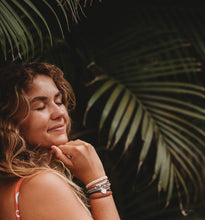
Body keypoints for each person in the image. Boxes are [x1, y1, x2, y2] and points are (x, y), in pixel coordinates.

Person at [0, 62, 120, 220]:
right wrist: (97, 182)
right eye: (40, 107)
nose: (59, 113)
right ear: (10, 123)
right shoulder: (42, 184)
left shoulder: (10, 186)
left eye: (59, 101)